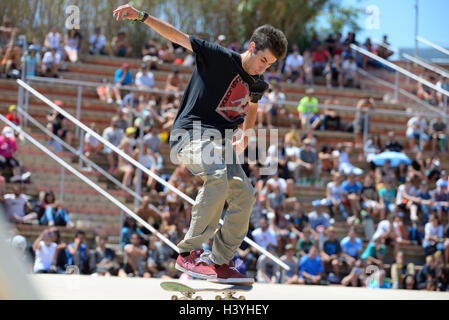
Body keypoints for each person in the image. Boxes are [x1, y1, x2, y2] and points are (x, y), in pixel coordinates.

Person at [113, 4, 288, 284]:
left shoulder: (258, 82)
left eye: (270, 65)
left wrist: (246, 133)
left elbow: (253, 105)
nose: (263, 68)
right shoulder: (218, 56)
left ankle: (220, 261)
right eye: (263, 60)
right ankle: (189, 253)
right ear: (252, 47)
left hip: (221, 144)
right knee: (217, 178)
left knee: (245, 193)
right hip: (191, 134)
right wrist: (141, 16)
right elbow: (178, 37)